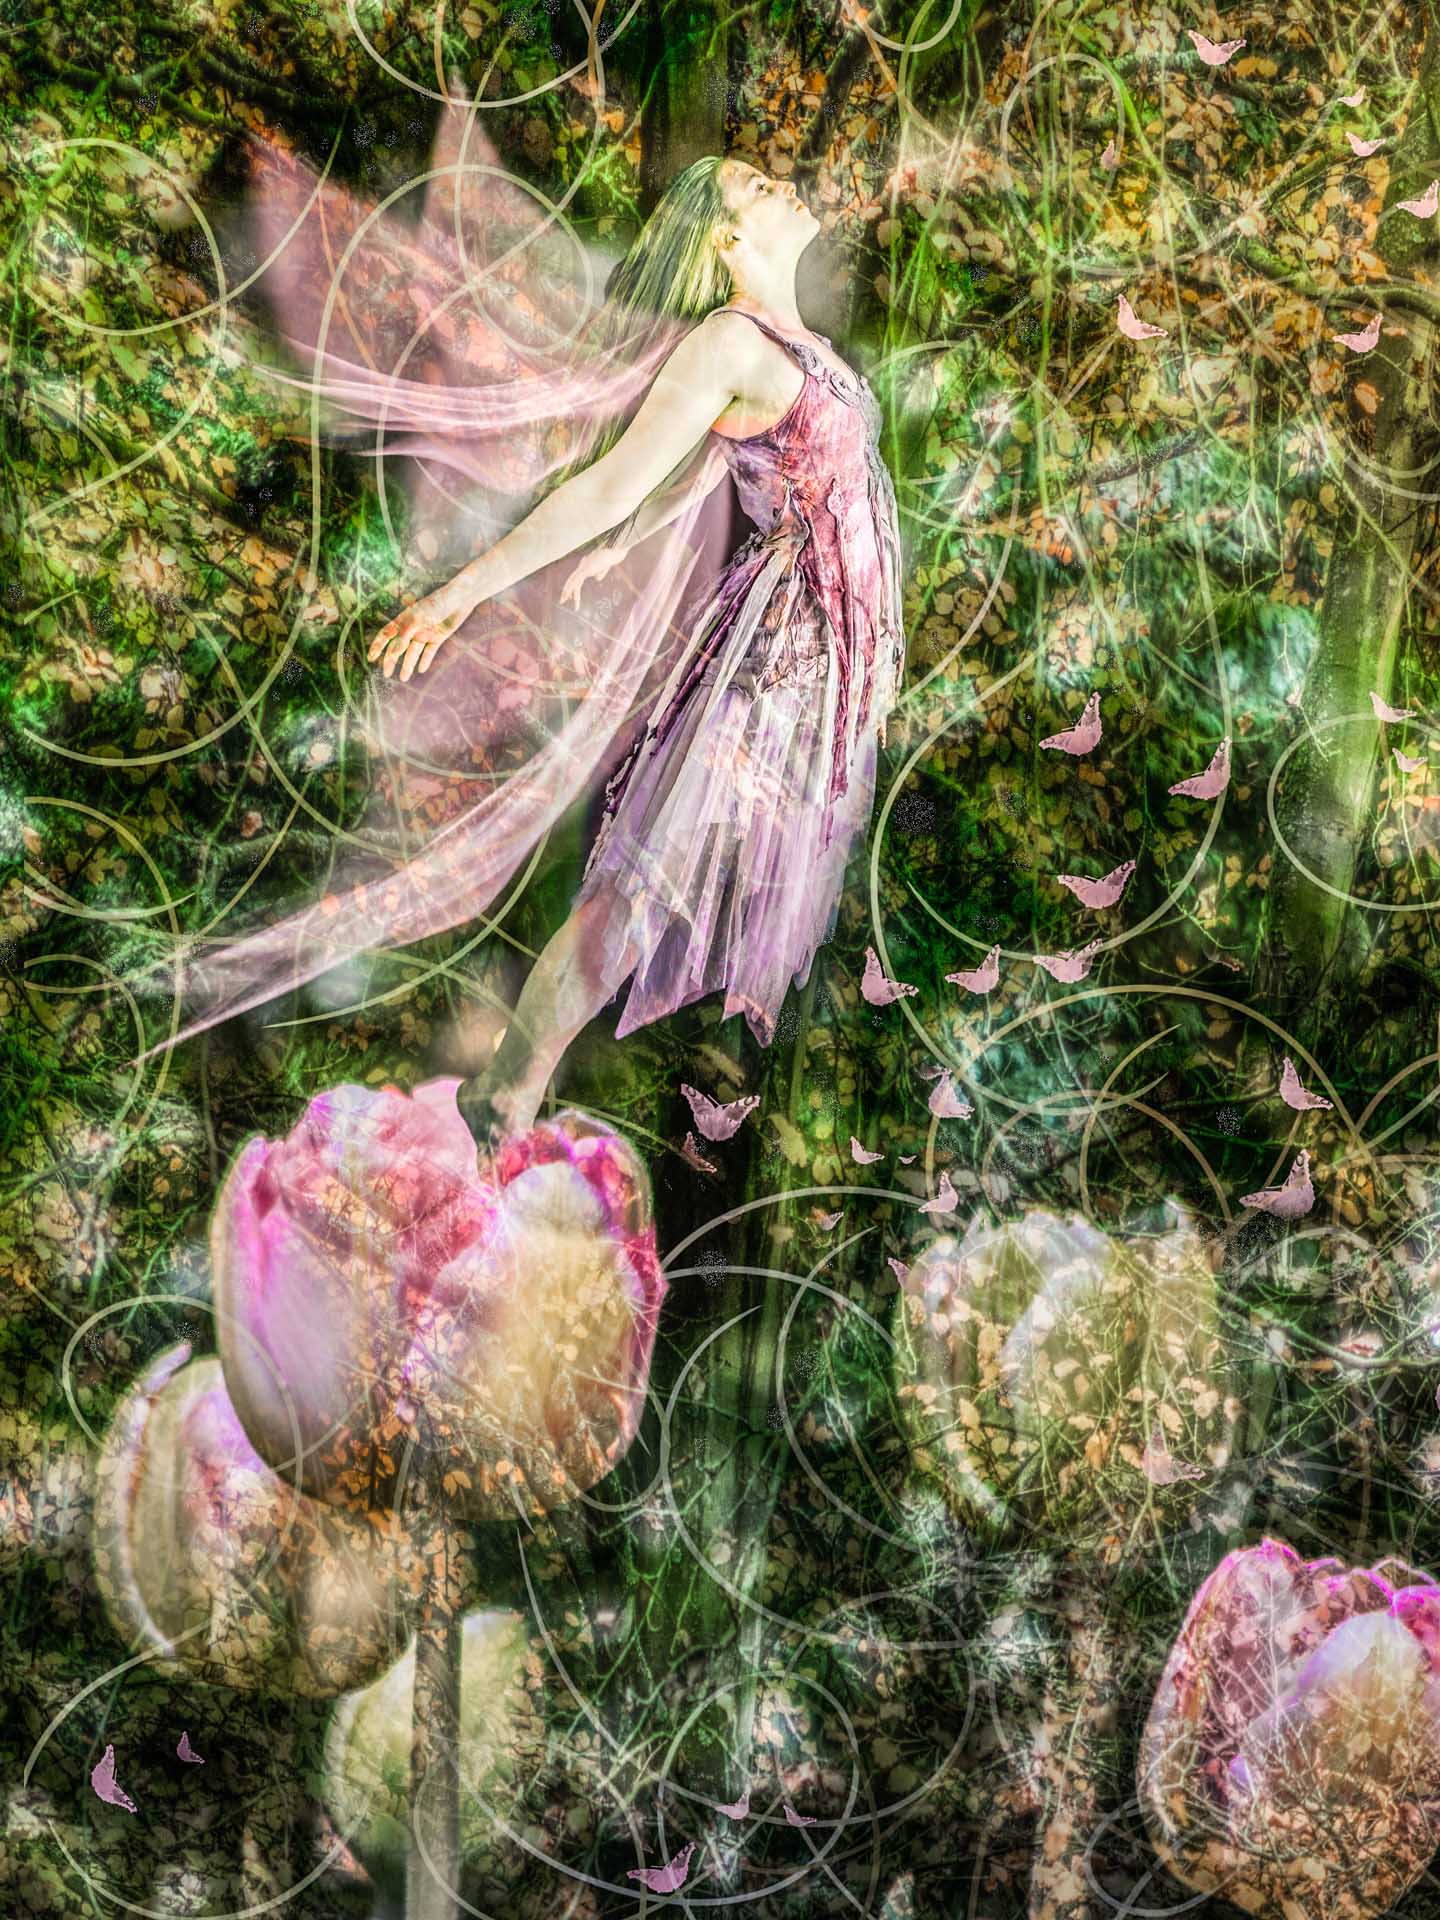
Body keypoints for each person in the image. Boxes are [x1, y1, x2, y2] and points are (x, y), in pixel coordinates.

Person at [364, 154, 907, 1151]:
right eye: (755, 186)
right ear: (725, 237)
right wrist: (460, 594)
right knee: (642, 886)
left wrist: (630, 541)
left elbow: (722, 455)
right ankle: (506, 1096)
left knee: (672, 889)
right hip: (773, 665)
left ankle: (514, 1092)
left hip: (823, 674)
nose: (783, 183)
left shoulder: (800, 347)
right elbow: (612, 482)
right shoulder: (728, 342)